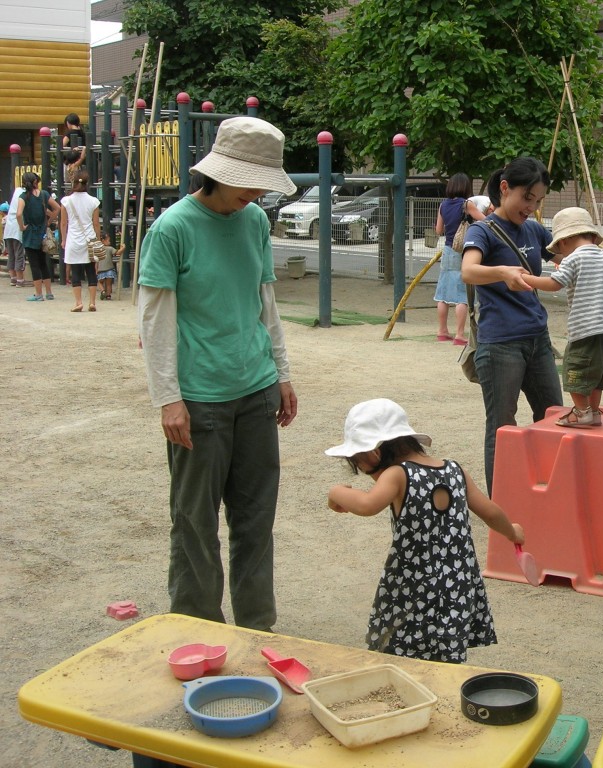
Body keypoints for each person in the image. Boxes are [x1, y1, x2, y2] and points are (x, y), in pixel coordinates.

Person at [137, 116, 299, 631]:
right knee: (193, 521)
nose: (255, 195)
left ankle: (257, 624)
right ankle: (195, 623)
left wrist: (282, 372)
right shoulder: (172, 228)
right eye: (249, 183)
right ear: (218, 173)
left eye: (262, 186)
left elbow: (264, 300)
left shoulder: (253, 222)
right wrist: (168, 397)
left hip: (254, 390)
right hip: (199, 397)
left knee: (255, 519)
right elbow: (155, 319)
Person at [325, 398, 525, 662]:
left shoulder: (397, 474)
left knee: (401, 654)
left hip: (413, 586)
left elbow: (366, 504)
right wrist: (511, 532)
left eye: (361, 464)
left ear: (374, 451)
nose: (367, 474)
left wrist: (336, 492)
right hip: (457, 585)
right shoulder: (455, 470)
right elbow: (489, 511)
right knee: (447, 652)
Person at [461, 157, 564, 493]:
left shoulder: (534, 229)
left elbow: (566, 252)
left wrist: (599, 254)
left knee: (553, 416)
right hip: (500, 344)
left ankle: (547, 491)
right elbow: (469, 271)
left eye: (537, 201)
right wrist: (503, 273)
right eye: (526, 198)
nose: (531, 208)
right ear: (505, 189)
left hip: (538, 338)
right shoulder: (482, 230)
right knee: (502, 427)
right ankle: (502, 503)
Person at [521, 207, 603, 427]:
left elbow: (554, 283)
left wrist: (529, 280)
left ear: (563, 242)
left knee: (575, 371)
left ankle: (582, 411)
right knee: (597, 376)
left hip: (587, 330)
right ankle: (594, 412)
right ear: (593, 236)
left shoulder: (573, 259)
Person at [433, 173, 485, 345]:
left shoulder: (443, 205)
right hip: (463, 250)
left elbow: (438, 230)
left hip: (448, 249)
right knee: (462, 293)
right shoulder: (466, 204)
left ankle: (442, 331)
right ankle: (460, 334)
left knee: (443, 292)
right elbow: (484, 220)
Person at [60, 169, 102, 312]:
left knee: (76, 272)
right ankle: (92, 302)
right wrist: (98, 240)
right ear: (87, 183)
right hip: (89, 238)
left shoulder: (66, 201)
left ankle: (78, 302)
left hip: (73, 239)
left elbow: (64, 223)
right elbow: (96, 224)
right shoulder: (94, 201)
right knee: (91, 271)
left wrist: (63, 240)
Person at [16, 171, 60, 301]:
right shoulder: (44, 195)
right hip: (43, 232)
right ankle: (49, 292)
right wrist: (49, 221)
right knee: (43, 263)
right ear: (36, 181)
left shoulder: (23, 197)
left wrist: (21, 226)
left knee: (34, 264)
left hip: (30, 233)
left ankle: (38, 294)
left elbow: (18, 214)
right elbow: (57, 208)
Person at [3, 193, 27, 287]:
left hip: (8, 230)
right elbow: (19, 214)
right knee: (19, 254)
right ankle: (20, 279)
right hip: (17, 230)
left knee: (11, 254)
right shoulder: (23, 196)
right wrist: (22, 227)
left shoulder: (15, 197)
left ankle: (13, 278)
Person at [62, 113, 88, 191]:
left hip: (72, 161)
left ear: (68, 123)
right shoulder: (83, 133)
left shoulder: (69, 133)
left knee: (69, 183)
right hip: (82, 161)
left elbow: (61, 145)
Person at [95, 231, 123, 300]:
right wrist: (123, 248)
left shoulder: (98, 250)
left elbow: (96, 261)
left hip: (101, 270)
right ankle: (108, 295)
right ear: (103, 240)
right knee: (109, 284)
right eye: (108, 240)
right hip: (109, 269)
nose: (109, 242)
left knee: (100, 282)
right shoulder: (110, 248)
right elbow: (118, 253)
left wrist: (96, 269)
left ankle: (103, 291)